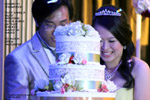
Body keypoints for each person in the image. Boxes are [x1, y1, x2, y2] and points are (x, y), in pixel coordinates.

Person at [4, 0, 73, 100]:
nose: (57, 32)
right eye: (50, 25)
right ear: (37, 22)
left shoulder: (76, 51)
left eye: (63, 24)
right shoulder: (18, 59)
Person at [92, 5, 150, 100]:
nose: (104, 47)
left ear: (123, 40)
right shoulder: (87, 69)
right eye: (99, 40)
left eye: (111, 41)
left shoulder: (139, 69)